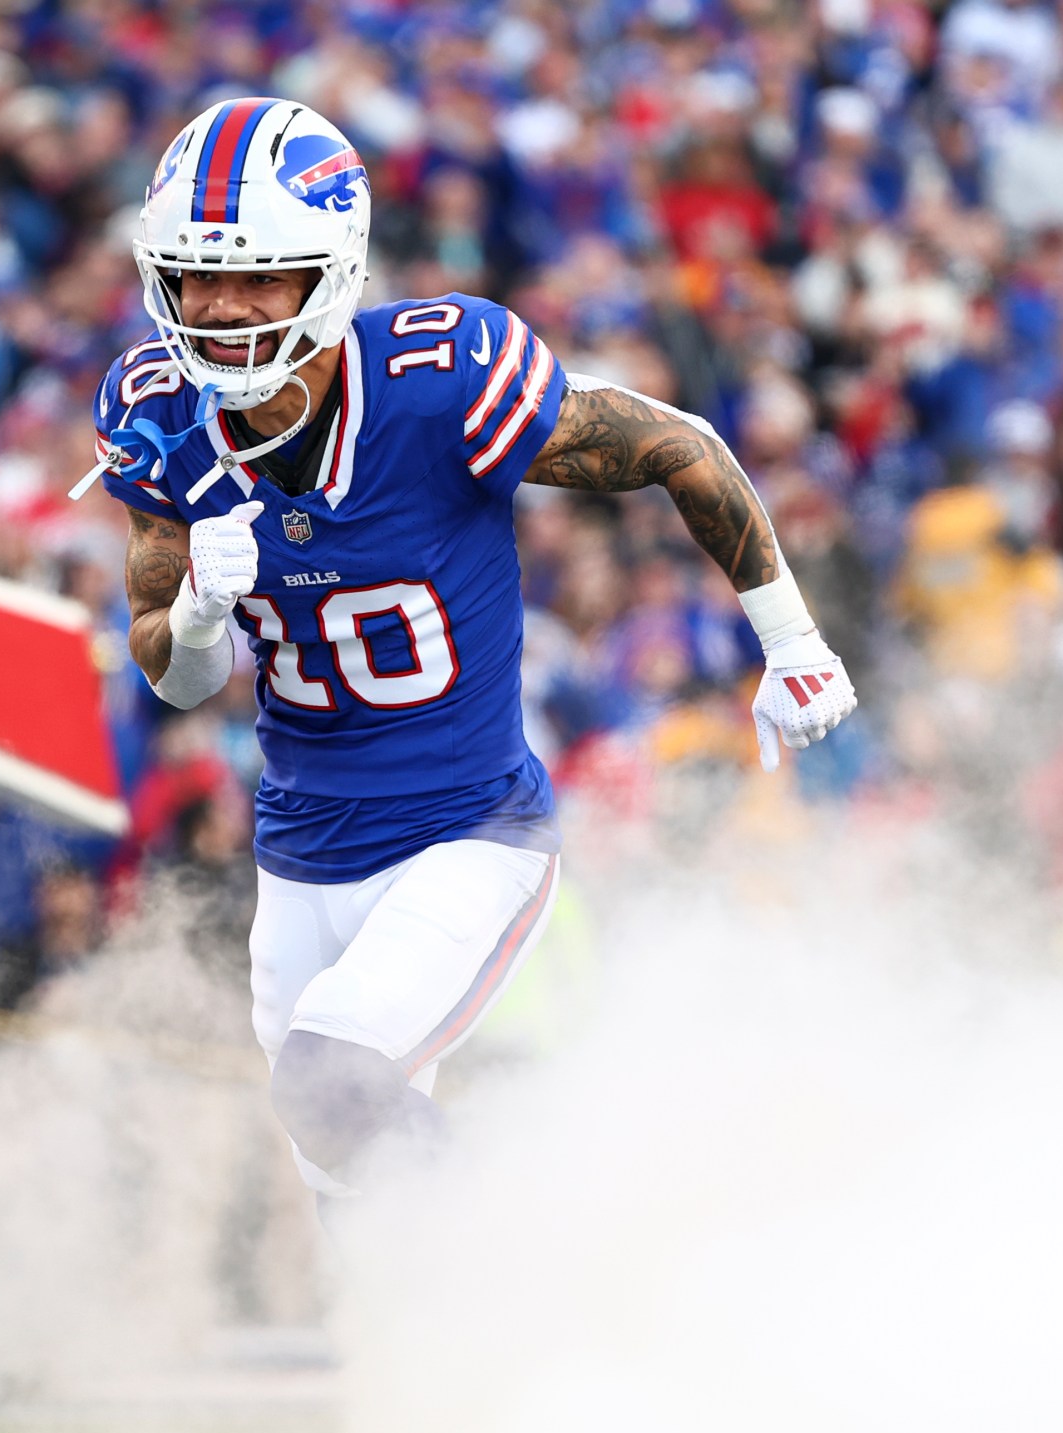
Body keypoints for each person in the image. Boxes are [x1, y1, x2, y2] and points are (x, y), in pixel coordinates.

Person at [75, 98, 858, 1196]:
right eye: (198, 276)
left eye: (259, 276)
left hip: (465, 835)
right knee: (340, 1179)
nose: (221, 308)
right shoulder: (158, 416)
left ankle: (531, 1252)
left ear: (331, 271)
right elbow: (176, 668)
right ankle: (441, 1346)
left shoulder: (437, 383)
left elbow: (680, 446)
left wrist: (792, 639)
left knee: (328, 1082)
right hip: (297, 852)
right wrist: (201, 610)